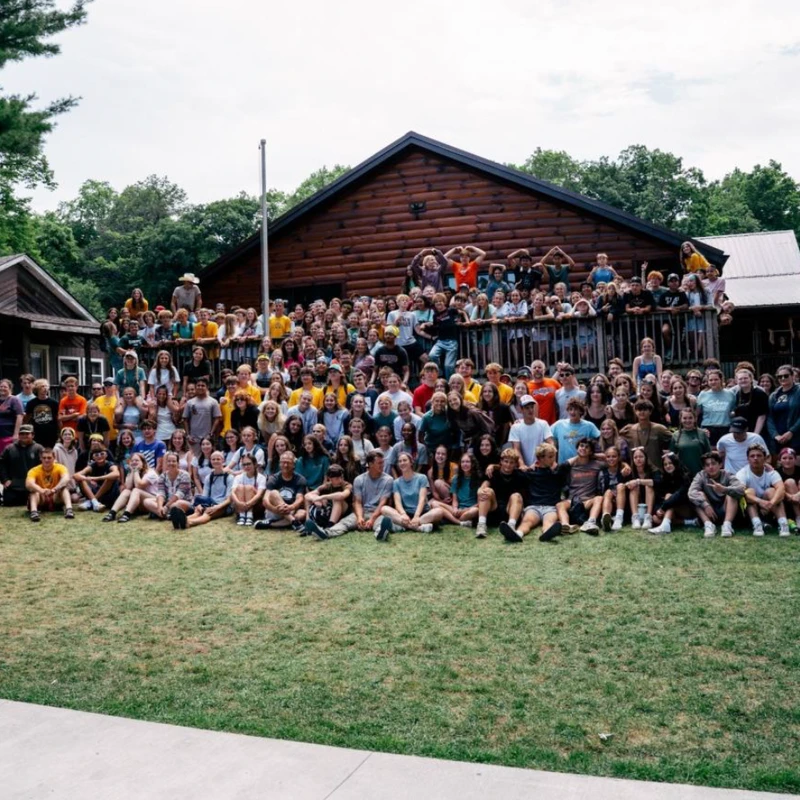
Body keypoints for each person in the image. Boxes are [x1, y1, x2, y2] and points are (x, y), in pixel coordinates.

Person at [502, 443, 571, 542]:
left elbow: (572, 462)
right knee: (527, 522)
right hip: (533, 507)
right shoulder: (530, 473)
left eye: (554, 457)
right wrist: (493, 466)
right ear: (541, 458)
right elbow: (508, 471)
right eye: (550, 457)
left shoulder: (557, 473)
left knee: (549, 521)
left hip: (551, 507)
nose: (553, 460)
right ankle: (517, 534)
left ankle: (547, 532)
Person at [374, 452, 445, 540]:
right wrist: (403, 514)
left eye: (404, 460)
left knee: (439, 511)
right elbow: (397, 502)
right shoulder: (396, 482)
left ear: (411, 462)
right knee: (384, 509)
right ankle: (418, 528)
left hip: (422, 514)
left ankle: (406, 526)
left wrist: (416, 516)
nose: (402, 463)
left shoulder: (422, 478)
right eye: (400, 461)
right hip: (405, 515)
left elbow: (422, 499)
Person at [736, 444, 791, 537]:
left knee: (772, 491)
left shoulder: (772, 472)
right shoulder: (742, 473)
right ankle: (757, 525)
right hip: (751, 508)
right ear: (748, 459)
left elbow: (781, 489)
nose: (755, 458)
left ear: (765, 458)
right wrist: (761, 502)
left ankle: (783, 524)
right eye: (752, 456)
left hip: (769, 507)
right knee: (749, 491)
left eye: (759, 455)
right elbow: (741, 492)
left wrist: (771, 503)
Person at [687, 451, 745, 538]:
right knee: (698, 495)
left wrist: (724, 489)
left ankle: (727, 525)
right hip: (709, 511)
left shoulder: (728, 475)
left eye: (713, 463)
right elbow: (691, 492)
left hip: (726, 509)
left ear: (720, 465)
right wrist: (705, 505)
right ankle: (708, 525)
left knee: (731, 494)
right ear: (704, 467)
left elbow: (741, 489)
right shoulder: (700, 475)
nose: (711, 467)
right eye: (707, 465)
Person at [475, 448, 528, 539]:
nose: (508, 465)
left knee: (516, 495)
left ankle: (511, 526)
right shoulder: (493, 472)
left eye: (511, 462)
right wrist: (481, 489)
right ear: (501, 461)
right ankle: (481, 525)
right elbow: (483, 487)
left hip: (510, 510)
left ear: (515, 464)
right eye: (506, 461)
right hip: (494, 509)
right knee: (486, 491)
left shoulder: (520, 475)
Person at [556, 438, 604, 535]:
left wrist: (625, 465)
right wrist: (578, 457)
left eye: (587, 447)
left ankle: (590, 522)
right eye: (581, 446)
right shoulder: (571, 465)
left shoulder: (596, 465)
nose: (583, 448)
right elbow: (559, 468)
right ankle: (566, 525)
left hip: (588, 500)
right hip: (572, 500)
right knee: (559, 505)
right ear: (577, 448)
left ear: (591, 451)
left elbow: (613, 462)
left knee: (599, 498)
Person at [256, 451, 307, 530]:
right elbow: (265, 500)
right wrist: (275, 509)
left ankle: (271, 525)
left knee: (302, 514)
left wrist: (291, 507)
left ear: (293, 465)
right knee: (273, 493)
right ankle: (293, 522)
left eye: (288, 463)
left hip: (291, 509)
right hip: (275, 510)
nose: (285, 465)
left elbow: (299, 498)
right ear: (279, 464)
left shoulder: (300, 479)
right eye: (283, 462)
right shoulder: (273, 478)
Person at [185, 452, 235, 528]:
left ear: (223, 460)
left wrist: (216, 507)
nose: (216, 461)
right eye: (213, 459)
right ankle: (183, 519)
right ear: (210, 461)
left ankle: (190, 522)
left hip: (224, 506)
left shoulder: (229, 477)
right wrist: (200, 505)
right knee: (198, 511)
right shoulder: (209, 477)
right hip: (210, 503)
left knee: (208, 513)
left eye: (218, 459)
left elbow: (229, 500)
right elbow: (205, 496)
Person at [302, 464, 353, 538]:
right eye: (337, 478)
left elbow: (342, 495)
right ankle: (308, 524)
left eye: (341, 477)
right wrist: (315, 499)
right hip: (329, 511)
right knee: (308, 500)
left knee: (337, 499)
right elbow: (307, 495)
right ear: (330, 479)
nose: (340, 479)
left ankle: (330, 526)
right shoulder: (327, 486)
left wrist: (322, 497)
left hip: (345, 511)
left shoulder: (347, 485)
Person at [620, 400, 672, 471]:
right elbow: (617, 437)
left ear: (650, 411)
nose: (642, 412)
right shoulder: (629, 429)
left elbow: (673, 440)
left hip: (656, 469)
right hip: (637, 470)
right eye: (639, 409)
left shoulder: (659, 429)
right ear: (635, 412)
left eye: (645, 409)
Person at [26, 447, 74, 521]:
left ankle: (69, 510)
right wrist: (41, 490)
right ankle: (34, 512)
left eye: (49, 458)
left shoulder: (60, 467)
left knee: (64, 488)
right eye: (44, 458)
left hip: (55, 496)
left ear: (54, 458)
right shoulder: (34, 470)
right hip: (41, 497)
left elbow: (66, 478)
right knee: (33, 491)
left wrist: (55, 489)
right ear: (40, 459)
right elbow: (28, 483)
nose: (46, 460)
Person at [0, 424, 42, 506]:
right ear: (18, 435)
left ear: (32, 435)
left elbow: (45, 466)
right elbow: (1, 465)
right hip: (13, 487)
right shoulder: (9, 449)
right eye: (22, 434)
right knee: (10, 502)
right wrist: (5, 479)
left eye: (27, 434)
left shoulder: (39, 449)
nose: (24, 436)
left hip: (33, 487)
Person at [507, 395, 554, 468]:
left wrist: (550, 460)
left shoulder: (543, 424)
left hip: (542, 467)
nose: (530, 410)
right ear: (522, 409)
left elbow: (551, 443)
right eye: (527, 408)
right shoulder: (515, 427)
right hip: (525, 469)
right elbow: (516, 448)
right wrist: (522, 464)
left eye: (532, 407)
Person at [551, 398, 600, 464]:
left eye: (576, 409)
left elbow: (601, 438)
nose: (572, 412)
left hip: (582, 465)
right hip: (564, 465)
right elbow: (547, 436)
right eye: (570, 409)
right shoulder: (559, 424)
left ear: (581, 411)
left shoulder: (589, 426)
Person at [696, 369, 736, 445]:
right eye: (711, 380)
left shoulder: (730, 394)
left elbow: (733, 410)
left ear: (721, 380)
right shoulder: (703, 394)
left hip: (725, 427)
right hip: (708, 428)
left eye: (716, 379)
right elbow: (696, 414)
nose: (713, 382)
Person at [766, 365, 800, 455]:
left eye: (786, 375)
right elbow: (769, 417)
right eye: (779, 376)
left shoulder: (798, 391)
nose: (783, 378)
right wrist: (775, 435)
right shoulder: (774, 395)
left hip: (796, 436)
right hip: (778, 439)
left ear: (793, 376)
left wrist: (791, 431)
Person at [183, 378, 221, 455]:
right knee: (194, 460)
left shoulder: (213, 402)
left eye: (203, 385)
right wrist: (188, 435)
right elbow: (185, 419)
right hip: (194, 439)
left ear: (207, 387)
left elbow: (217, 418)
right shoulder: (190, 402)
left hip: (208, 438)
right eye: (198, 385)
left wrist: (211, 434)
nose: (200, 387)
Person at [230, 454, 267, 526]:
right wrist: (238, 503)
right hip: (240, 506)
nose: (246, 467)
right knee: (240, 487)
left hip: (255, 507)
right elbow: (232, 493)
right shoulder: (238, 477)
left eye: (249, 464)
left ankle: (249, 516)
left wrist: (248, 504)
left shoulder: (261, 477)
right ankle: (242, 515)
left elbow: (259, 495)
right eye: (244, 465)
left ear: (255, 464)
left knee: (248, 488)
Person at [731, 369, 768, 436]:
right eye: (740, 379)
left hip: (757, 430)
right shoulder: (736, 395)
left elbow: (762, 416)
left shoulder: (760, 394)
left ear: (751, 379)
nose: (743, 380)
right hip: (741, 431)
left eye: (745, 378)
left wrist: (755, 434)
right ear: (737, 381)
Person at [526, 360, 560, 425]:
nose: (537, 369)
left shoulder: (553, 383)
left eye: (539, 367)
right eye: (534, 367)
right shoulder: (527, 386)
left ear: (544, 370)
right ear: (531, 371)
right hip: (535, 424)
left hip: (552, 423)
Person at [0, 379, 24, 455]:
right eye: (1, 386)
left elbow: (19, 416)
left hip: (9, 434)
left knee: (7, 456)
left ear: (10, 388)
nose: (2, 388)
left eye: (5, 387)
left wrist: (16, 434)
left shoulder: (14, 400)